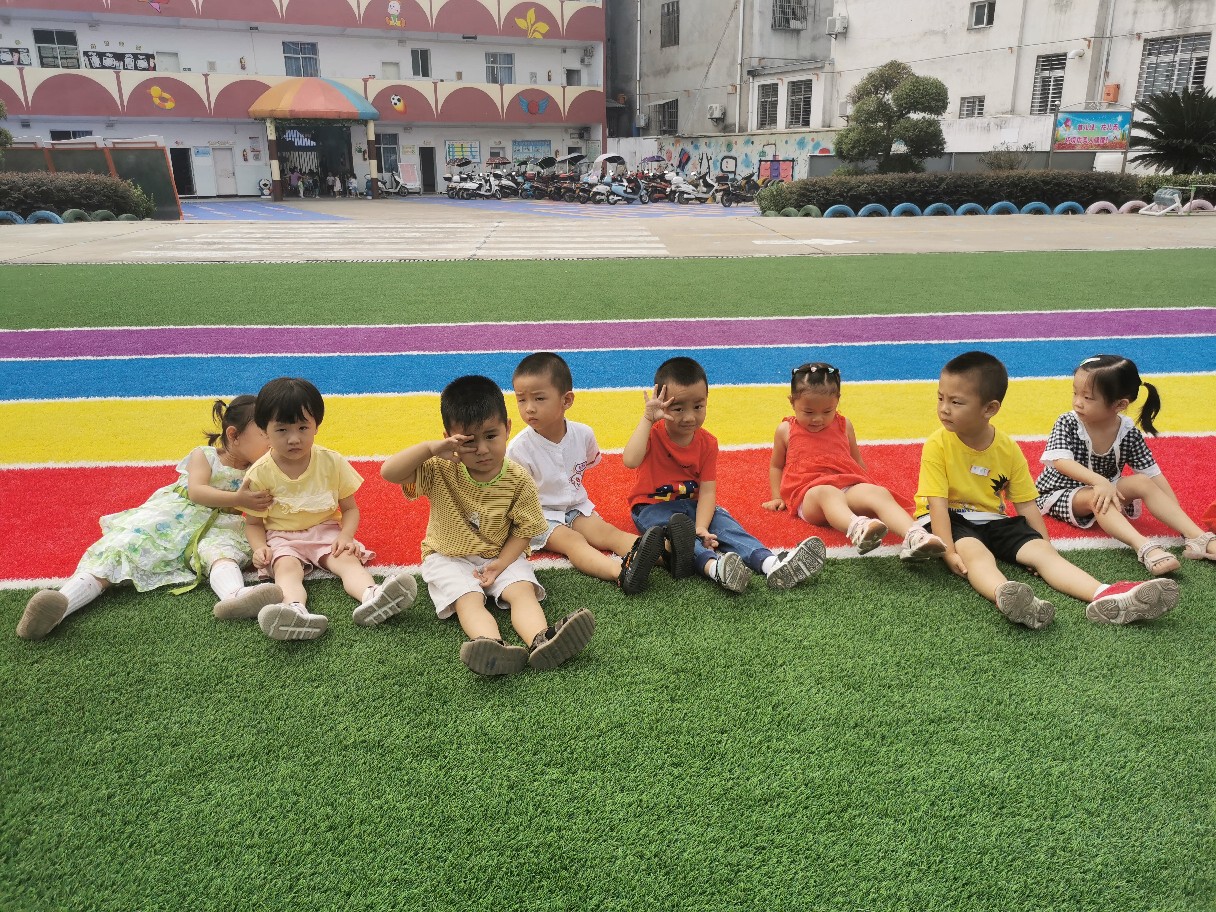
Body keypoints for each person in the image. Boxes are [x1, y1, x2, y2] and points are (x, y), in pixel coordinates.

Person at [915, 350, 1180, 629]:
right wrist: (948, 552)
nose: (944, 408)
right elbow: (937, 504)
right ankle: (1005, 594)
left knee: (1043, 553)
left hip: (993, 519)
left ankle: (1105, 593)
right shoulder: (937, 444)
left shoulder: (1008, 448)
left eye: (956, 402)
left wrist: (1045, 545)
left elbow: (1026, 504)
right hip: (951, 518)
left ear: (990, 409)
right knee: (975, 553)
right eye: (940, 398)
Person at [17, 397, 283, 640]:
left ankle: (234, 596)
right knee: (123, 547)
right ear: (234, 435)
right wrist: (238, 499)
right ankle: (60, 604)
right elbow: (197, 491)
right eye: (265, 433)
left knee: (222, 553)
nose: (273, 441)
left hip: (220, 525)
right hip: (173, 515)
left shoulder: (262, 468)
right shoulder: (205, 455)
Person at [381, 374, 594, 676]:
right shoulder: (439, 467)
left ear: (508, 428)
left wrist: (501, 563)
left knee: (522, 591)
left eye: (491, 436)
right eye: (469, 441)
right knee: (469, 599)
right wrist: (431, 448)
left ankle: (542, 640)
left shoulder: (518, 479)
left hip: (501, 553)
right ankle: (492, 647)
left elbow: (524, 531)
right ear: (450, 438)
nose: (482, 449)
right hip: (448, 556)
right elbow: (389, 472)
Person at [623, 356, 826, 594]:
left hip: (694, 505)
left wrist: (701, 527)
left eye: (698, 407)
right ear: (662, 403)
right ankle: (715, 568)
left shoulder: (708, 443)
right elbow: (630, 460)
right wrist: (647, 419)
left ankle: (770, 563)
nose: (689, 417)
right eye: (678, 408)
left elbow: (708, 491)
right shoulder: (653, 433)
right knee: (680, 539)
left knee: (728, 527)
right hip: (653, 507)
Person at [243, 377, 416, 641]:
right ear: (264, 431)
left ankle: (372, 595)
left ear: (317, 426)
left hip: (326, 531)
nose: (294, 439)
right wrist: (259, 548)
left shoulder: (331, 462)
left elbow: (350, 509)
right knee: (287, 570)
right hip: (281, 536)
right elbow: (254, 523)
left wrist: (345, 536)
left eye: (303, 427)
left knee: (347, 561)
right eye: (282, 430)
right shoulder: (259, 473)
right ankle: (293, 610)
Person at [1036, 354, 1216, 573]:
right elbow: (1061, 461)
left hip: (1106, 488)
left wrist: (1177, 516)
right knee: (1098, 497)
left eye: (1088, 397)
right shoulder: (1068, 422)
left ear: (1120, 404)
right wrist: (1099, 482)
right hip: (1060, 492)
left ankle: (1197, 537)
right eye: (1075, 393)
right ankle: (1144, 546)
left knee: (1141, 481)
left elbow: (1153, 475)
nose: (1077, 402)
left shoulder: (1127, 431)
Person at [508, 352, 665, 595]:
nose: (529, 408)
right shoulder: (518, 449)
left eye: (539, 398)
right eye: (521, 400)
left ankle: (668, 555)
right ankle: (621, 573)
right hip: (539, 516)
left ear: (566, 400)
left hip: (576, 507)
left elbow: (582, 466)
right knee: (574, 542)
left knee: (607, 533)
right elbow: (513, 499)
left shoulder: (583, 435)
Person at [762, 361, 946, 561]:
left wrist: (867, 488)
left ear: (837, 401)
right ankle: (857, 528)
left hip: (846, 486)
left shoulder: (844, 425)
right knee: (827, 492)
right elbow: (776, 466)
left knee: (878, 492)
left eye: (827, 411)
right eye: (808, 412)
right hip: (809, 496)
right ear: (792, 402)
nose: (818, 419)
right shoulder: (786, 430)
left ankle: (915, 535)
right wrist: (777, 497)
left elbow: (856, 461)